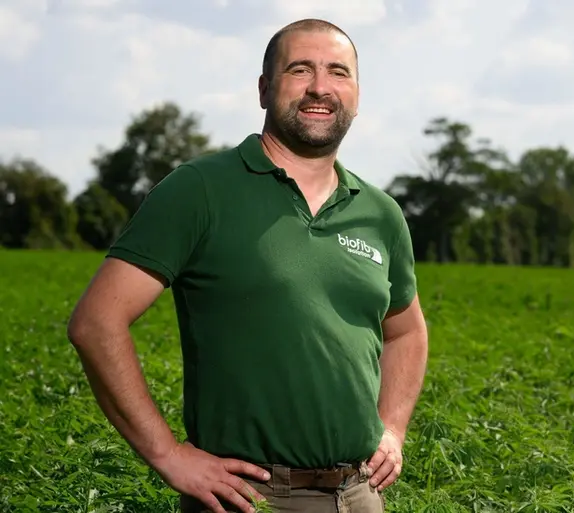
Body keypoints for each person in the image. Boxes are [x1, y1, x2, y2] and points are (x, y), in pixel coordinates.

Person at [66, 17, 429, 513]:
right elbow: (95, 323)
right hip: (249, 498)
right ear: (264, 89)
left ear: (357, 95)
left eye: (338, 72)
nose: (320, 87)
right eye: (300, 70)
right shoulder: (200, 190)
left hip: (360, 495)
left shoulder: (381, 213)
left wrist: (393, 429)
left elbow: (407, 332)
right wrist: (167, 454)